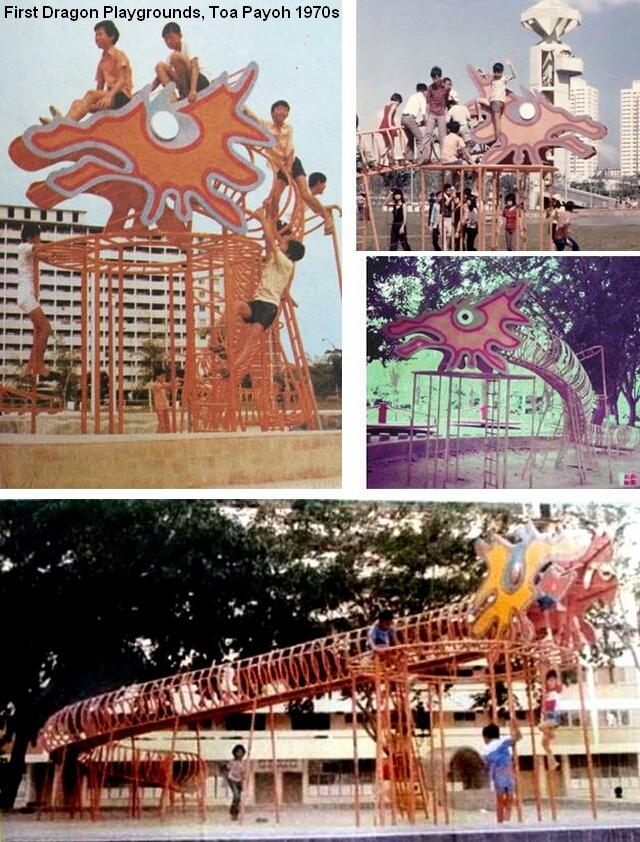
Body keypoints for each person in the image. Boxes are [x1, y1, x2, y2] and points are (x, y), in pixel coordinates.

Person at [231, 209, 304, 373]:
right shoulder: (277, 260)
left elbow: (271, 240)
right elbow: (270, 242)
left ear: (288, 251)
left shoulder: (286, 262)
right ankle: (224, 343)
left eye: (284, 243)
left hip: (269, 308)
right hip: (258, 302)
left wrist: (263, 219)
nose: (281, 243)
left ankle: (232, 368)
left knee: (251, 339)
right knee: (236, 305)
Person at [244, 100, 333, 234]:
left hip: (292, 163)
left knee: (304, 194)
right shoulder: (266, 126)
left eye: (285, 110)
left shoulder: (288, 128)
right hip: (280, 168)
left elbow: (290, 149)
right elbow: (252, 116)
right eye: (279, 109)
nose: (283, 112)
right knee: (274, 198)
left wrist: (289, 167)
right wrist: (239, 104)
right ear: (273, 112)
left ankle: (327, 216)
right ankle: (274, 226)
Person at [41, 21, 133, 124]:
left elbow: (122, 79)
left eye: (100, 34)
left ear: (111, 36)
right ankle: (62, 124)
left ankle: (64, 125)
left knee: (90, 94)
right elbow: (99, 87)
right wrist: (95, 102)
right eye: (96, 35)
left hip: (122, 97)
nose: (97, 38)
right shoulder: (102, 63)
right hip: (111, 98)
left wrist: (108, 96)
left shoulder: (119, 55)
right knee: (77, 103)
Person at [17, 223, 52, 378]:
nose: (39, 240)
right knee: (46, 328)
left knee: (40, 331)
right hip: (26, 295)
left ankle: (30, 366)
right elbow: (37, 248)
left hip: (26, 295)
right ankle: (38, 364)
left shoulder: (28, 248)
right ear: (31, 238)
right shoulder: (23, 247)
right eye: (38, 238)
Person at [152, 21, 209, 102]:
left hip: (199, 82)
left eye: (171, 37)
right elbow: (159, 78)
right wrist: (145, 94)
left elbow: (195, 66)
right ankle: (173, 99)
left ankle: (185, 93)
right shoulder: (170, 57)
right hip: (186, 86)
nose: (169, 42)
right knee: (160, 66)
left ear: (180, 36)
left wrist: (193, 90)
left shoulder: (187, 45)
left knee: (175, 56)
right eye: (166, 40)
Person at [482, 721, 521, 823]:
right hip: (508, 772)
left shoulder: (486, 749)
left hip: (497, 775)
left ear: (486, 737)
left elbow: (486, 765)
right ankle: (506, 820)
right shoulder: (503, 742)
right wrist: (516, 727)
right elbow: (518, 737)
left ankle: (500, 821)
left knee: (499, 800)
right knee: (509, 798)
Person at [473, 60, 517, 145]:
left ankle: (498, 140)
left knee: (497, 122)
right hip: (492, 102)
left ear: (501, 72)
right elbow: (485, 75)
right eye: (495, 72)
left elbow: (514, 76)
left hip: (497, 102)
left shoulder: (504, 79)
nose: (497, 74)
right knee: (477, 100)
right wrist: (481, 71)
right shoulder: (493, 78)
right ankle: (480, 118)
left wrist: (510, 65)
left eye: (498, 72)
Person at [424, 67, 449, 162]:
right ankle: (425, 156)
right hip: (432, 113)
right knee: (428, 134)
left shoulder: (445, 88)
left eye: (436, 78)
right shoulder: (430, 88)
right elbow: (428, 102)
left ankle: (443, 157)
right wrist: (426, 115)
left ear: (440, 77)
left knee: (443, 136)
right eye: (433, 78)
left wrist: (444, 109)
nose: (435, 80)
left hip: (441, 114)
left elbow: (446, 100)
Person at [540, 669, 563, 770]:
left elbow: (549, 708)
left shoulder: (556, 692)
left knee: (540, 727)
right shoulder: (548, 693)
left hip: (554, 718)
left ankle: (552, 735)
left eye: (552, 681)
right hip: (549, 719)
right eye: (548, 681)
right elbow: (544, 708)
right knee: (544, 744)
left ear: (556, 681)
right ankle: (553, 762)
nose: (550, 683)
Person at [400, 83, 428, 165]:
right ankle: (421, 159)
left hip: (403, 118)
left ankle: (408, 159)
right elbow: (423, 113)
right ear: (424, 91)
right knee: (420, 138)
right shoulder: (422, 98)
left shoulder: (412, 96)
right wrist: (426, 122)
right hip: (410, 118)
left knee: (411, 138)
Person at [379, 93, 403, 166]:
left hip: (383, 124)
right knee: (391, 145)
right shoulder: (394, 105)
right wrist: (390, 125)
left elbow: (386, 114)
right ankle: (386, 157)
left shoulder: (387, 104)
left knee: (387, 144)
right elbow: (390, 115)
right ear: (398, 100)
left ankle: (384, 160)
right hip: (389, 124)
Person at [226, 744, 248, 820]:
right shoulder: (232, 761)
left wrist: (243, 781)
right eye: (238, 752)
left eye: (241, 752)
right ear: (235, 753)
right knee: (236, 795)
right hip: (232, 779)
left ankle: (235, 813)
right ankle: (233, 812)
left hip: (239, 780)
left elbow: (243, 773)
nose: (240, 754)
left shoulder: (243, 763)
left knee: (238, 798)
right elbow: (228, 769)